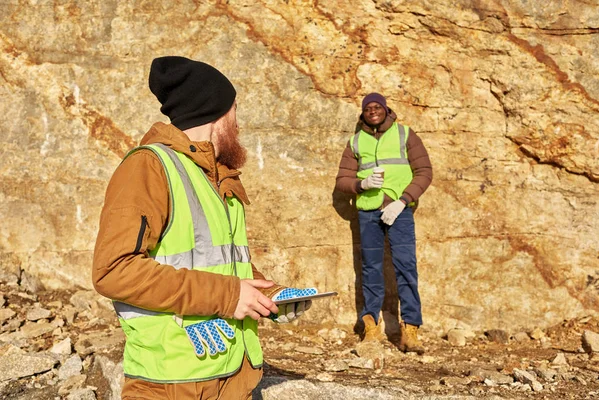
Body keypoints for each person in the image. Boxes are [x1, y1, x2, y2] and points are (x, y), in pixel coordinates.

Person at [92, 56, 314, 399]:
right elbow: (114, 270)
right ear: (216, 112)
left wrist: (268, 295)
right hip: (171, 381)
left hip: (229, 376)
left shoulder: (214, 177)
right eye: (234, 111)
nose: (238, 125)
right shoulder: (149, 168)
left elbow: (219, 262)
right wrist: (227, 296)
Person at [335, 92, 432, 354]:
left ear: (386, 110)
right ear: (363, 113)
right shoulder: (356, 141)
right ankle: (371, 328)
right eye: (368, 108)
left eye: (378, 107)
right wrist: (361, 184)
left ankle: (410, 329)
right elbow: (342, 180)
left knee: (406, 268)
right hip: (368, 214)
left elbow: (424, 172)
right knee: (371, 271)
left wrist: (403, 201)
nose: (373, 111)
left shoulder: (404, 134)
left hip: (399, 211)